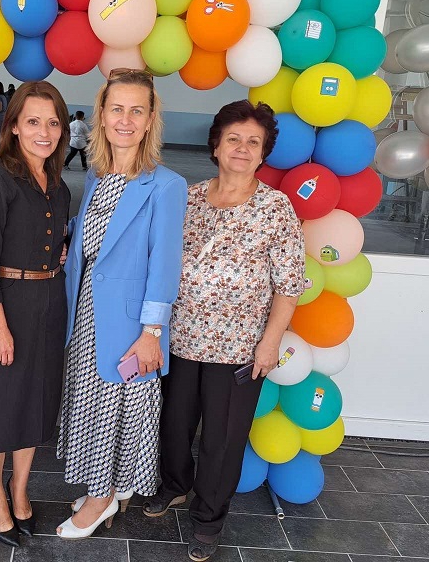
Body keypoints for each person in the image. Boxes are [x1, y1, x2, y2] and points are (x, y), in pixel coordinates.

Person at [142, 100, 305, 562]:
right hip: (179, 339)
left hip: (238, 348)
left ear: (263, 153)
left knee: (223, 439)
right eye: (233, 138)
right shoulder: (187, 197)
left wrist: (270, 343)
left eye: (254, 142)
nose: (242, 148)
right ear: (216, 145)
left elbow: (289, 285)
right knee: (172, 425)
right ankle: (174, 485)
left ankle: (209, 519)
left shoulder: (276, 208)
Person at [56, 68, 188, 539]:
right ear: (102, 115)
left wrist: (151, 333)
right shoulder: (97, 175)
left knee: (116, 409)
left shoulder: (166, 185)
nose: (125, 120)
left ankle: (101, 498)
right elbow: (96, 239)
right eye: (117, 109)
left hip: (130, 324)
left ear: (151, 119)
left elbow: (164, 264)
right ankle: (104, 488)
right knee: (92, 405)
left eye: (137, 110)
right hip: (86, 312)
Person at [0, 81, 71, 548]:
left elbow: (52, 238)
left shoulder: (58, 185)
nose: (43, 132)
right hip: (5, 304)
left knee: (35, 402)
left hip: (49, 302)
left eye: (52, 122)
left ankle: (20, 488)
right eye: (33, 122)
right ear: (13, 126)